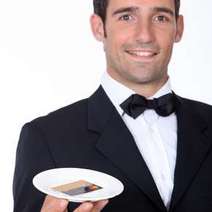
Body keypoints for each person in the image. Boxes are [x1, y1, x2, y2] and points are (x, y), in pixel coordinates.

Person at [13, 0, 212, 211]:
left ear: (178, 28)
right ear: (99, 27)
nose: (145, 35)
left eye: (160, 18)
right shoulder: (46, 138)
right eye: (126, 17)